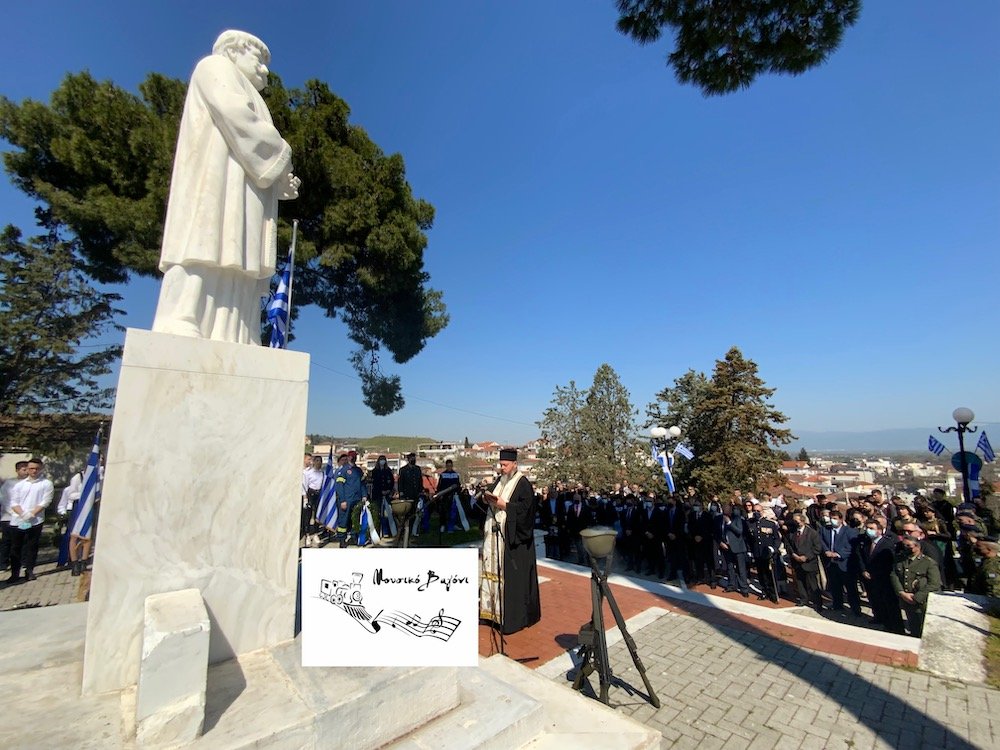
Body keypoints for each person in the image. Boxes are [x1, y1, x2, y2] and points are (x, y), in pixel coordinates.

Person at [152, 30, 300, 344]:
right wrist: (282, 158)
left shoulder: (255, 96)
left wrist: (279, 183)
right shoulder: (214, 68)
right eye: (259, 59)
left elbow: (258, 152)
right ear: (234, 50)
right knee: (205, 243)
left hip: (244, 190)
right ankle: (184, 315)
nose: (265, 70)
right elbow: (237, 118)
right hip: (215, 180)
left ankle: (237, 330)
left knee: (238, 251)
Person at [479, 449, 541, 634]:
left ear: (515, 464)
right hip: (495, 537)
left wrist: (504, 505)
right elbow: (492, 496)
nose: (502, 468)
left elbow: (526, 511)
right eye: (501, 465)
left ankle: (511, 619)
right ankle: (491, 614)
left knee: (511, 581)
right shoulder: (500, 480)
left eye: (505, 465)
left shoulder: (523, 484)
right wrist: (486, 498)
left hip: (514, 544)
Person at [7, 458, 54, 583]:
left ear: (41, 469)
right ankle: (14, 573)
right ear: (27, 469)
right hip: (18, 519)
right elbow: (14, 502)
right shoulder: (20, 485)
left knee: (31, 546)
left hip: (35, 520)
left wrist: (32, 514)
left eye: (37, 468)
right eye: (31, 468)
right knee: (16, 547)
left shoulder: (46, 483)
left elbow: (46, 501)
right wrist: (22, 514)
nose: (34, 471)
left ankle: (29, 570)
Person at [891, 535, 942, 636]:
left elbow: (934, 583)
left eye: (908, 546)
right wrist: (901, 593)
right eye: (904, 545)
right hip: (906, 600)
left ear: (917, 547)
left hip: (922, 601)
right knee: (913, 625)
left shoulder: (928, 563)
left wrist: (917, 597)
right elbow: (894, 575)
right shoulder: (900, 559)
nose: (905, 548)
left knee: (924, 628)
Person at [819, 510, 857, 613]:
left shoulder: (849, 531)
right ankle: (837, 605)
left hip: (845, 563)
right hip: (831, 563)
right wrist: (826, 550)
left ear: (841, 520)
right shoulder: (824, 530)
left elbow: (852, 546)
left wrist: (838, 554)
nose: (832, 521)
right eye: (831, 518)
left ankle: (855, 608)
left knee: (850, 588)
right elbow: (821, 541)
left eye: (835, 518)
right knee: (835, 586)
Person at [785, 512, 823, 611]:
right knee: (800, 582)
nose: (795, 523)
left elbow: (817, 548)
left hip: (809, 562)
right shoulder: (792, 532)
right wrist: (793, 554)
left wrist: (806, 557)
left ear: (802, 521)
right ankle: (804, 599)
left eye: (796, 521)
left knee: (812, 583)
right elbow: (788, 544)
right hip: (796, 561)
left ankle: (817, 602)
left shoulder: (812, 533)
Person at [0, 461, 29, 573]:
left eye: (27, 469)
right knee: (7, 541)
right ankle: (3, 563)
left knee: (25, 539)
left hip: (24, 517)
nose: (26, 471)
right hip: (8, 517)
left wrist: (25, 514)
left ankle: (24, 562)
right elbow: (4, 499)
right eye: (23, 469)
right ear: (17, 470)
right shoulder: (9, 483)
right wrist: (13, 512)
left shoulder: (30, 483)